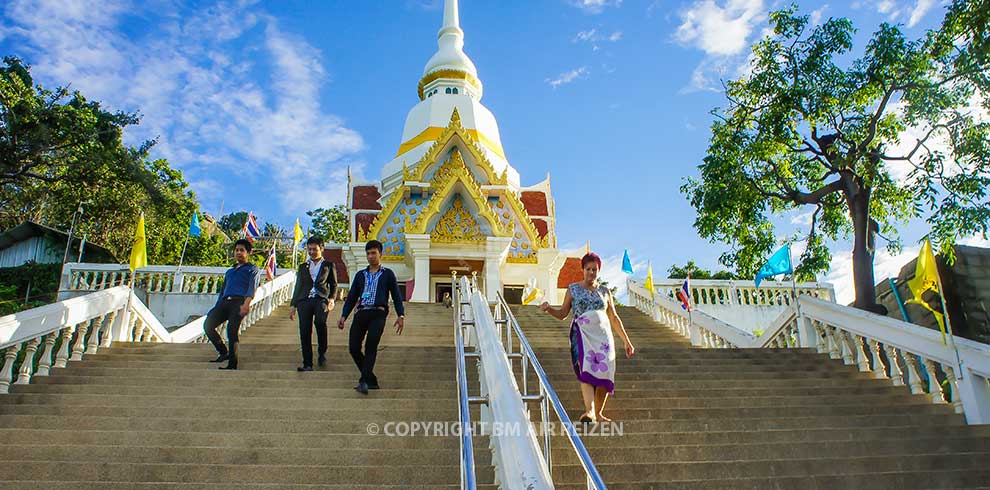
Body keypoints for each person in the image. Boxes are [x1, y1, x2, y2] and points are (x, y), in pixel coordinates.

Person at [540, 252, 635, 423]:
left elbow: (613, 316)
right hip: (581, 334)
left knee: (605, 371)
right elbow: (563, 313)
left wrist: (626, 340)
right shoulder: (573, 289)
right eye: (588, 269)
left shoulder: (605, 291)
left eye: (595, 269)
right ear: (582, 270)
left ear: (599, 271)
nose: (591, 272)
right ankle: (589, 412)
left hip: (603, 337)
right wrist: (548, 309)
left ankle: (598, 413)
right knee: (586, 369)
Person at [338, 240, 405, 395]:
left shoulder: (387, 274)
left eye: (373, 253)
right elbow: (352, 296)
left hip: (378, 313)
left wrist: (400, 315)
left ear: (380, 254)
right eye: (368, 253)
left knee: (371, 346)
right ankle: (371, 379)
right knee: (354, 348)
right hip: (361, 313)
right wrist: (343, 315)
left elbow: (396, 295)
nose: (370, 256)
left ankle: (363, 381)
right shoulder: (361, 275)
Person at [203, 239, 260, 370]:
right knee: (208, 325)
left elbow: (252, 288)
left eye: (242, 250)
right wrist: (217, 305)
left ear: (248, 252)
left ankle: (233, 364)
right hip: (224, 302)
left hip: (239, 302)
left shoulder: (252, 269)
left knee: (232, 331)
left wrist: (246, 304)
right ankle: (223, 352)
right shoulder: (230, 271)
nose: (239, 253)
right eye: (237, 250)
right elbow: (223, 290)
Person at [289, 236, 337, 372]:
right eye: (309, 249)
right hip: (304, 300)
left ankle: (322, 352)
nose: (311, 252)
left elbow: (333, 284)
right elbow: (298, 286)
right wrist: (293, 305)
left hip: (321, 298)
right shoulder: (303, 267)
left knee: (320, 322)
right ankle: (307, 363)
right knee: (304, 330)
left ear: (321, 249)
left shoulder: (328, 265)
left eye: (314, 249)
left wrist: (332, 299)